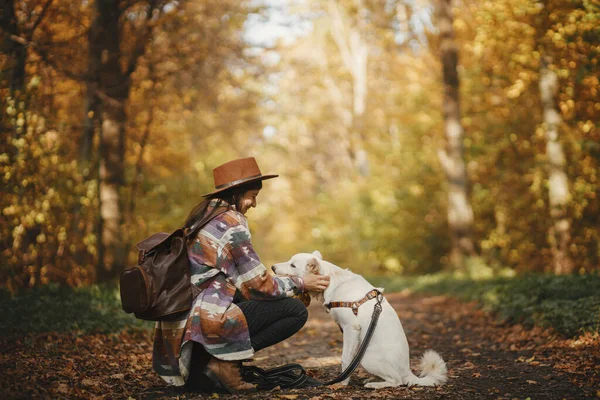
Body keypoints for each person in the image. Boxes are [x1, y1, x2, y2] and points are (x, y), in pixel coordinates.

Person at [152, 157, 330, 393]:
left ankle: (214, 363)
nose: (254, 204)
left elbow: (243, 284)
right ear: (235, 193)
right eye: (252, 195)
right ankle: (226, 362)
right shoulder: (231, 222)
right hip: (206, 320)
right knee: (294, 310)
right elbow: (258, 284)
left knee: (251, 298)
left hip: (185, 335)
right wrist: (301, 283)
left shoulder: (204, 218)